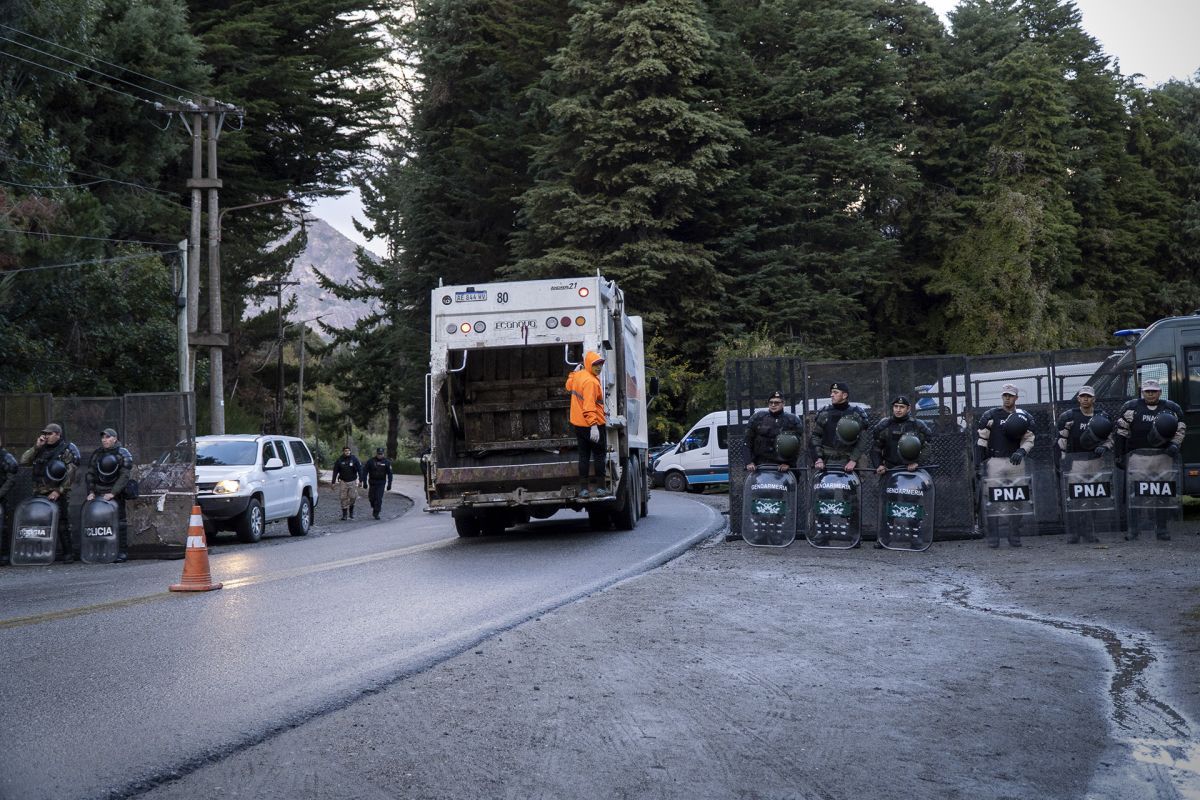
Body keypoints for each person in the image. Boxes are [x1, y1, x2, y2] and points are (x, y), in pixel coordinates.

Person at [1115, 378, 1186, 540]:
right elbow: (1121, 432)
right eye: (1147, 391)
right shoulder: (1131, 408)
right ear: (1142, 392)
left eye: (1154, 391)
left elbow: (1180, 429)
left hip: (1163, 457)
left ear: (1160, 392)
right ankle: (1133, 530)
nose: (1151, 394)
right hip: (1138, 458)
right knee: (1135, 493)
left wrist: (1175, 445)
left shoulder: (1172, 408)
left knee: (1162, 493)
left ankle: (1161, 528)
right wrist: (1120, 455)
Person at [975, 384, 1035, 548]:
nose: (1007, 398)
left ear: (1016, 397)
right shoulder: (992, 415)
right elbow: (981, 440)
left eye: (1010, 395)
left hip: (1016, 461)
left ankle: (1014, 534)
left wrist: (1022, 451)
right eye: (1005, 395)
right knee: (993, 497)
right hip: (995, 460)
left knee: (1017, 498)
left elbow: (1029, 438)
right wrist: (980, 463)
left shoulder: (1024, 416)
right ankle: (994, 535)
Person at [1055, 386, 1113, 544]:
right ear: (1078, 398)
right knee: (1075, 498)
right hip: (1076, 463)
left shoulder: (1102, 416)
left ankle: (1089, 531)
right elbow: (1061, 440)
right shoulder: (1069, 416)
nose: (1086, 399)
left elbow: (1110, 438)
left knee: (1093, 497)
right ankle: (1075, 532)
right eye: (1083, 396)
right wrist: (1063, 460)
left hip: (1095, 461)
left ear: (1094, 399)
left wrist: (1105, 447)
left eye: (1089, 396)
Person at [20, 423, 80, 562]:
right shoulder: (40, 449)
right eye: (45, 434)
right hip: (39, 492)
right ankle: (40, 553)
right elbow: (23, 460)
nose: (46, 436)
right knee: (39, 524)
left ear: (58, 434)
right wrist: (36, 447)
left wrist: (59, 491)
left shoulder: (66, 450)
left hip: (56, 493)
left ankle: (68, 554)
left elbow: (70, 473)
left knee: (62, 525)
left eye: (49, 434)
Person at [85, 428, 134, 562]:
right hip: (99, 492)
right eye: (103, 437)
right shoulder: (98, 453)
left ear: (115, 438)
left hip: (115, 494)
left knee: (120, 523)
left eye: (107, 437)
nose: (104, 440)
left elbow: (124, 476)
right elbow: (90, 473)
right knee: (98, 523)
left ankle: (121, 552)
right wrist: (91, 492)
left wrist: (113, 493)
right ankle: (99, 551)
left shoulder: (123, 453)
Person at [568, 351, 608, 498]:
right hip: (593, 425)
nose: (599, 367)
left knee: (583, 456)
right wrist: (594, 426)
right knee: (599, 456)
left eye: (601, 364)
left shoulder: (579, 376)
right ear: (588, 365)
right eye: (595, 364)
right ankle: (601, 488)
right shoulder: (591, 382)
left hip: (578, 425)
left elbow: (568, 386)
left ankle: (583, 489)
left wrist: (573, 373)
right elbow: (589, 406)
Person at [810, 381, 869, 473]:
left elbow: (863, 439)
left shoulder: (856, 414)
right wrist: (818, 458)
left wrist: (853, 460)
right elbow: (815, 436)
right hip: (826, 463)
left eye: (835, 392)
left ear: (844, 395)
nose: (831, 395)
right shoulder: (824, 413)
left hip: (850, 463)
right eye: (831, 392)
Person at [744, 391, 803, 472]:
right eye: (771, 402)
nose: (773, 405)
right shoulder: (757, 418)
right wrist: (749, 462)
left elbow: (798, 446)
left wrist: (789, 464)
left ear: (783, 403)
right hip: (759, 466)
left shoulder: (792, 420)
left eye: (776, 403)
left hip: (783, 466)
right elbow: (747, 442)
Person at [870, 396, 932, 474]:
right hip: (890, 470)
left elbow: (926, 447)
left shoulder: (917, 426)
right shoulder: (884, 425)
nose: (898, 410)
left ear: (908, 408)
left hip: (912, 471)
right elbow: (876, 448)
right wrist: (879, 465)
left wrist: (917, 463)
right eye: (896, 406)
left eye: (902, 407)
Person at [331, 446, 365, 520]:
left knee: (353, 497)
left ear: (350, 451)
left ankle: (351, 511)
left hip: (352, 481)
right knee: (343, 498)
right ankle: (344, 514)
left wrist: (361, 480)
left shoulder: (354, 459)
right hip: (343, 481)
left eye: (348, 451)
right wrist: (333, 482)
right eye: (346, 451)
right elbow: (335, 471)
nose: (347, 452)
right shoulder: (339, 460)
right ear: (343, 452)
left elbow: (360, 470)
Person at [0, 437, 19, 566]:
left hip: (1, 498)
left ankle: (4, 556)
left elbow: (11, 478)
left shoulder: (5, 457)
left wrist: (0, 493)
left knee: (2, 527)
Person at [365, 447, 393, 520]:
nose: (380, 455)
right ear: (376, 453)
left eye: (381, 454)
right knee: (371, 498)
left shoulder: (386, 462)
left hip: (381, 483)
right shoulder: (371, 461)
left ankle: (376, 512)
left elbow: (390, 474)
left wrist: (389, 484)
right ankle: (375, 506)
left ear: (383, 454)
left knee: (378, 498)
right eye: (378, 454)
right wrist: (364, 482)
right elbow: (365, 472)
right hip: (372, 482)